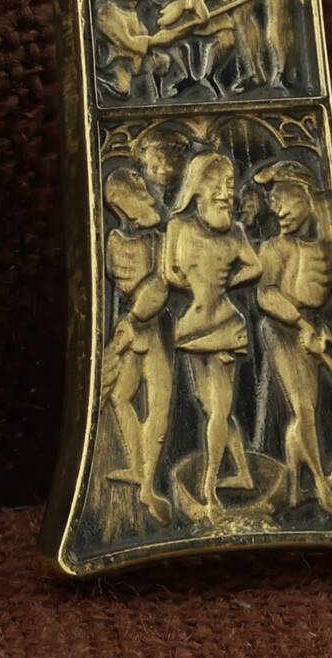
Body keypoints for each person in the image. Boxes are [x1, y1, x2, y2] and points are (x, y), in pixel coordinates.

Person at [253, 160, 332, 514]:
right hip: (283, 328)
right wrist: (301, 325)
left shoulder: (328, 244)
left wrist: (321, 327)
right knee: (303, 409)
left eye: (284, 200)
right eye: (273, 203)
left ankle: (294, 491)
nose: (278, 211)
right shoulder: (275, 248)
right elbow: (265, 294)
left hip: (312, 327)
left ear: (306, 196)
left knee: (303, 413)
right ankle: (322, 489)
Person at [161, 151, 261, 520]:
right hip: (191, 327)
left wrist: (224, 285)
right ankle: (243, 474)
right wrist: (195, 286)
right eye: (216, 184)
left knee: (218, 411)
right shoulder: (177, 227)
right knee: (212, 409)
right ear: (196, 188)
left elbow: (256, 266)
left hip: (225, 325)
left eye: (229, 185)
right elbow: (169, 273)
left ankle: (208, 488)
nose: (225, 193)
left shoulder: (235, 233)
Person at [98, 169, 175, 525]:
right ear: (121, 206)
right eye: (139, 194)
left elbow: (161, 286)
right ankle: (139, 469)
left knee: (158, 402)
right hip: (132, 328)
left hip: (152, 327)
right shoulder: (113, 240)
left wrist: (132, 320)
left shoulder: (160, 240)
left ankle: (147, 485)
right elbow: (122, 284)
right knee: (121, 397)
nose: (148, 199)